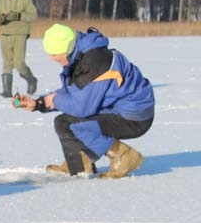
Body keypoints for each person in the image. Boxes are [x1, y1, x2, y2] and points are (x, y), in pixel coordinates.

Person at [12, 23, 154, 178]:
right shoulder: (82, 56)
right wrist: (39, 104)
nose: (53, 58)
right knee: (63, 122)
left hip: (134, 116)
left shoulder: (95, 62)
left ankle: (123, 156)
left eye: (55, 53)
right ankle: (79, 166)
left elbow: (81, 108)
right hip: (120, 109)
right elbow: (74, 93)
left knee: (71, 124)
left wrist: (56, 100)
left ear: (67, 48)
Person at [0, 0, 38, 97]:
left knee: (19, 63)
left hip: (20, 34)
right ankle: (7, 92)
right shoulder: (1, 1)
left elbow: (33, 15)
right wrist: (2, 19)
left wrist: (19, 16)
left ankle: (31, 80)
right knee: (7, 63)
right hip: (5, 35)